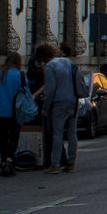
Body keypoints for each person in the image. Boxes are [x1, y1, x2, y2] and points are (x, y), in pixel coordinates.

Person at [0, 51, 28, 177]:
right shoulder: (20, 76)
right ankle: (10, 159)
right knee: (14, 137)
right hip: (15, 112)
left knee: (2, 137)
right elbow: (26, 96)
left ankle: (4, 161)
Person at [40, 42, 81, 173]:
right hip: (73, 100)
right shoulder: (67, 62)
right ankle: (71, 163)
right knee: (71, 133)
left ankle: (55, 164)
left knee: (57, 133)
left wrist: (45, 108)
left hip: (59, 103)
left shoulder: (50, 67)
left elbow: (50, 90)